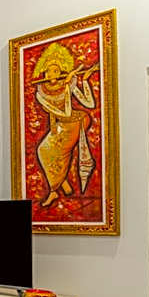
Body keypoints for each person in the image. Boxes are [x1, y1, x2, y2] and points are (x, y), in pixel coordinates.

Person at [31, 42, 97, 208]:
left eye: (55, 71)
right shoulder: (41, 92)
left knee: (58, 153)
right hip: (62, 123)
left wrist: (84, 81)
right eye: (49, 71)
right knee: (43, 151)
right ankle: (62, 183)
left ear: (60, 72)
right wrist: (67, 87)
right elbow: (58, 113)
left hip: (77, 121)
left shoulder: (68, 84)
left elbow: (88, 104)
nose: (51, 74)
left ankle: (54, 190)